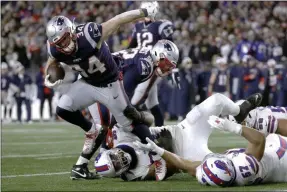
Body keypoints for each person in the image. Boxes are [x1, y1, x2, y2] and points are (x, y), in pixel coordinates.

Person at [43, 2, 165, 180]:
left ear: (72, 32)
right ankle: (90, 133)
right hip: (86, 83)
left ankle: (158, 158)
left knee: (130, 124)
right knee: (63, 108)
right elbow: (52, 59)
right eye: (60, 43)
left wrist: (143, 12)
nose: (65, 45)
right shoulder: (54, 48)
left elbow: (118, 20)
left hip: (110, 84)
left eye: (66, 39)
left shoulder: (89, 35)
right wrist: (49, 75)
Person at [73, 39, 179, 180]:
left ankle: (89, 162)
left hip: (102, 79)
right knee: (107, 126)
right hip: (95, 79)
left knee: (119, 122)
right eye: (167, 64)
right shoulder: (144, 65)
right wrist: (113, 125)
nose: (168, 69)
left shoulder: (148, 62)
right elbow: (121, 95)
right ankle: (83, 165)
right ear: (158, 55)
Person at [94, 93, 262, 180]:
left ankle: (239, 112)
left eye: (113, 158)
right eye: (116, 166)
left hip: (182, 129)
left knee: (217, 100)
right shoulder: (134, 174)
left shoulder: (119, 134)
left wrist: (140, 117)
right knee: (222, 167)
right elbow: (172, 168)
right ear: (118, 174)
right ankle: (258, 158)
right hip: (185, 154)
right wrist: (162, 149)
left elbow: (150, 119)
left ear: (110, 151)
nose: (119, 161)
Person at [134, 116, 287, 186]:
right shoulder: (244, 169)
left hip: (272, 160)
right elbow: (259, 139)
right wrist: (229, 126)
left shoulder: (214, 175)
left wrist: (159, 151)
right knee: (267, 122)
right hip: (282, 154)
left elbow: (184, 164)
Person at [128, 2, 176, 127]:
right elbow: (131, 46)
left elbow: (169, 45)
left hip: (153, 66)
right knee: (152, 103)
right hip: (140, 64)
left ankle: (126, 126)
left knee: (138, 95)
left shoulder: (161, 25)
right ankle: (161, 130)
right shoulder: (138, 26)